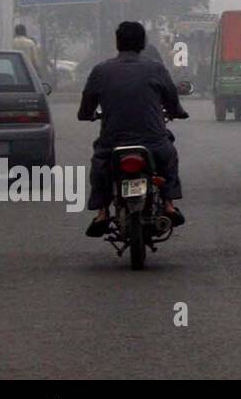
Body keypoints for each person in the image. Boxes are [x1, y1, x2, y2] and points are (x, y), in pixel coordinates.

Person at [80, 21, 188, 237]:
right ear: (143, 43)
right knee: (169, 156)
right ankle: (168, 205)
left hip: (113, 143)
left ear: (117, 42)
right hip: (153, 141)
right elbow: (172, 102)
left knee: (100, 165)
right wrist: (178, 112)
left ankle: (102, 213)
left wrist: (87, 115)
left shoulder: (101, 71)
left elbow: (86, 108)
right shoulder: (156, 69)